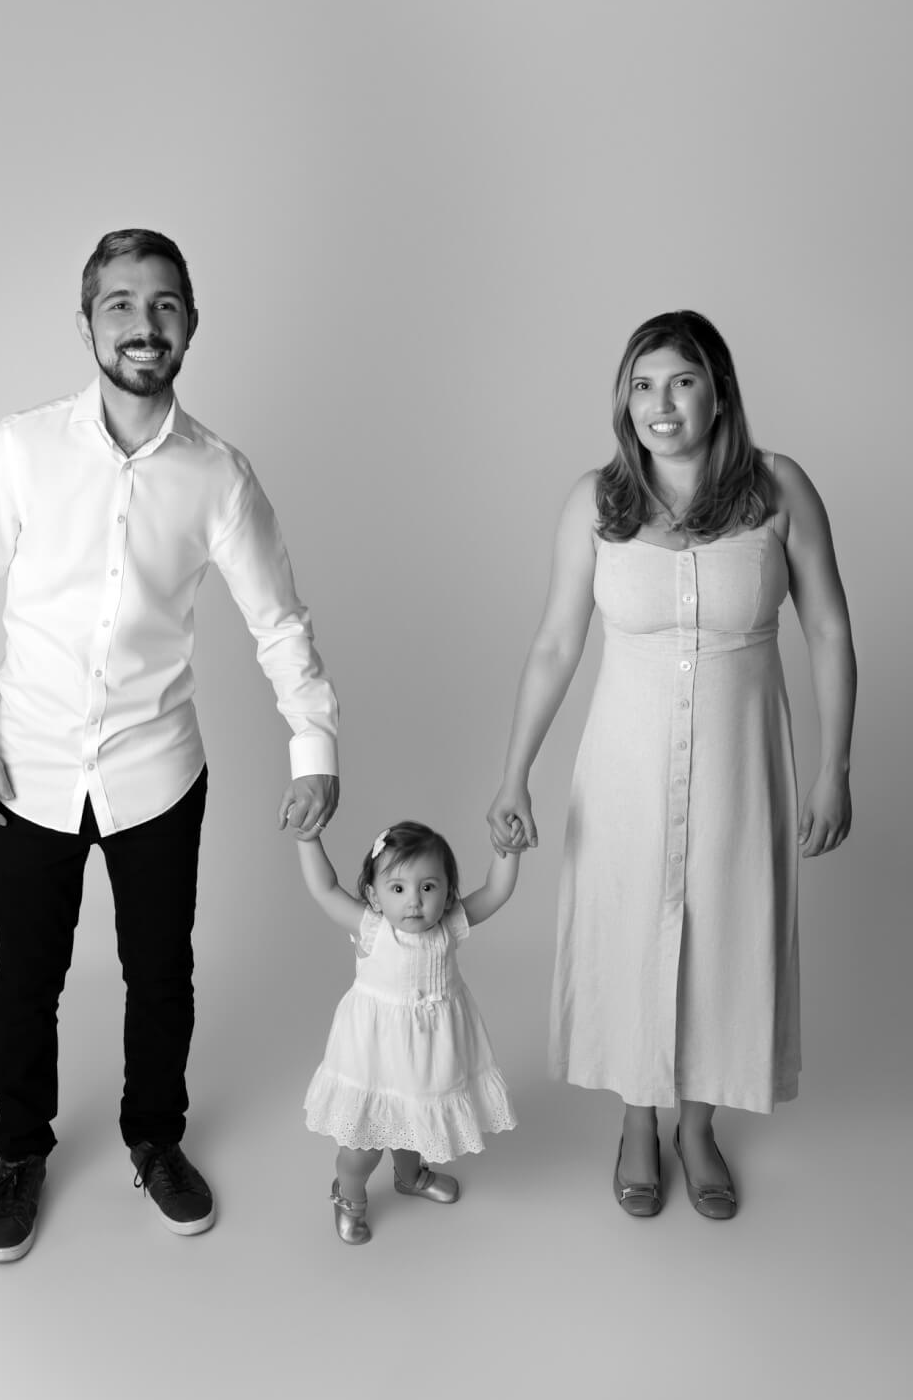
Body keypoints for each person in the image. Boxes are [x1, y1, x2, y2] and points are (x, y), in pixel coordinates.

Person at [0, 228, 339, 1262]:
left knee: (160, 973)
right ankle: (20, 1150)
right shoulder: (23, 448)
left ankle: (155, 1138)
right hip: (25, 765)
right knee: (26, 972)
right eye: (120, 304)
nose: (142, 325)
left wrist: (315, 745)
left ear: (190, 325)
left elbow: (278, 622)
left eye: (163, 305)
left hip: (158, 769)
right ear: (87, 324)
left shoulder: (219, 476)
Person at [488, 311, 856, 1220]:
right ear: (625, 400)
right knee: (628, 933)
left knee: (728, 935)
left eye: (682, 381)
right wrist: (514, 774)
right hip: (626, 767)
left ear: (719, 390)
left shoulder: (778, 488)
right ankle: (638, 1122)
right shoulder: (596, 501)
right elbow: (554, 644)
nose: (661, 403)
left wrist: (835, 767)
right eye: (643, 384)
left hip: (741, 764)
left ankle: (698, 1125)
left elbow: (831, 630)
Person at [295, 822, 518, 1244]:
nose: (414, 901)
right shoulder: (373, 930)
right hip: (375, 1054)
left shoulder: (448, 927)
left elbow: (496, 892)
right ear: (373, 895)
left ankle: (409, 1175)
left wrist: (509, 848)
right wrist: (308, 839)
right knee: (364, 1144)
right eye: (397, 888)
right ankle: (349, 1193)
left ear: (449, 892)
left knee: (415, 1117)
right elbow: (325, 889)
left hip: (429, 1053)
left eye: (428, 887)